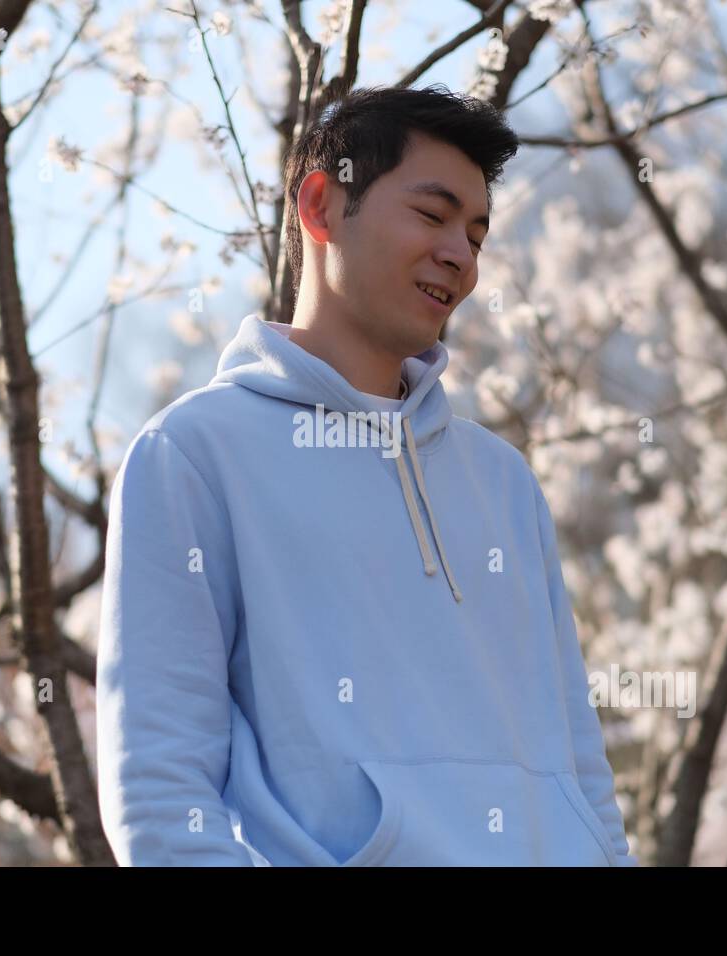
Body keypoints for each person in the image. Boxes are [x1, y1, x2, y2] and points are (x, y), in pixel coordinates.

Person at [96, 84, 636, 866]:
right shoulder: (195, 456)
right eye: (432, 213)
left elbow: (579, 765)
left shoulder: (503, 480)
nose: (460, 255)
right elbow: (159, 784)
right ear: (320, 206)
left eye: (477, 235)